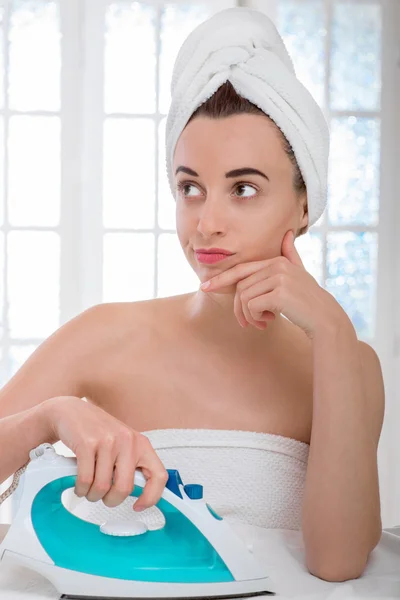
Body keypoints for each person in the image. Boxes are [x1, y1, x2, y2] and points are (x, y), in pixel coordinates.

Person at [0, 7, 385, 583]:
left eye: (244, 189)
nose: (207, 222)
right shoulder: (104, 335)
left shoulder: (348, 364)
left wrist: (333, 334)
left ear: (304, 205)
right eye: (191, 188)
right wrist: (49, 419)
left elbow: (338, 562)